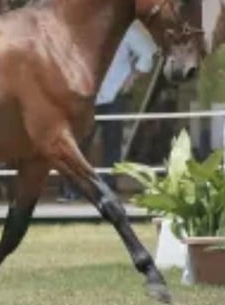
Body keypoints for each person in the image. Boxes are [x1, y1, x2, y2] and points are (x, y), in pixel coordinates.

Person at [60, 20, 158, 201]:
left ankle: (108, 188)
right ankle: (74, 188)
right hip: (87, 94)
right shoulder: (84, 26)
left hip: (114, 94)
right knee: (79, 143)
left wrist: (131, 80)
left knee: (112, 144)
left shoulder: (127, 30)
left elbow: (148, 53)